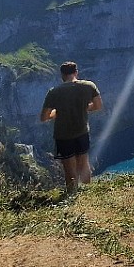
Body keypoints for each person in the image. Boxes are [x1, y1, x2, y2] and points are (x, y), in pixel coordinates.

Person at [40, 61, 103, 194]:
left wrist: (56, 112)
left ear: (62, 75)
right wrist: (84, 107)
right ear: (76, 72)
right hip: (82, 131)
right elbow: (98, 106)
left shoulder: (54, 92)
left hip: (63, 135)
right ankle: (88, 192)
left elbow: (44, 117)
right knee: (84, 162)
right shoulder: (89, 86)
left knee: (70, 169)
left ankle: (72, 195)